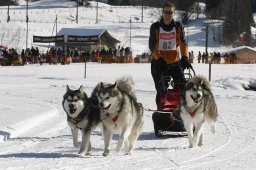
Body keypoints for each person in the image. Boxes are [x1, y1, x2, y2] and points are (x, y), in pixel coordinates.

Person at [149, 2, 192, 106]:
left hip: (174, 62)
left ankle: (178, 109)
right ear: (162, 12)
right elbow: (152, 46)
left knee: (182, 86)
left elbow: (183, 43)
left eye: (170, 12)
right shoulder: (155, 27)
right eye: (165, 12)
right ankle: (161, 110)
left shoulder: (178, 27)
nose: (167, 15)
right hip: (159, 63)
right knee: (161, 90)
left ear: (174, 13)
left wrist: (185, 57)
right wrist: (159, 59)